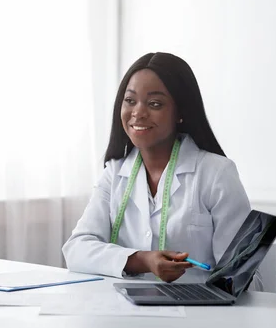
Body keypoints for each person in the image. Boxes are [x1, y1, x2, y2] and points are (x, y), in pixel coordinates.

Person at [62, 52, 257, 285]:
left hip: (197, 315)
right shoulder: (114, 174)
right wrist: (142, 260)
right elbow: (76, 249)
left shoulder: (216, 174)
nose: (138, 112)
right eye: (130, 101)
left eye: (155, 104)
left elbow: (242, 276)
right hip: (124, 314)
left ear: (181, 113)